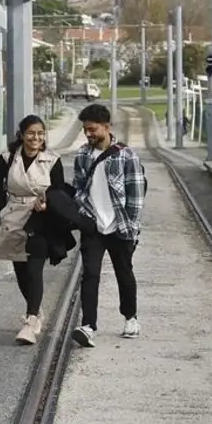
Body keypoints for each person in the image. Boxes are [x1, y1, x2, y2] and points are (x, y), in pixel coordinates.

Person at [70, 103, 146, 348]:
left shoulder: (126, 155)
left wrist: (132, 229)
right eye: (85, 130)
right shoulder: (82, 155)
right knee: (90, 275)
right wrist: (84, 213)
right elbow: (79, 189)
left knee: (124, 273)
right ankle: (89, 325)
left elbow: (135, 196)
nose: (88, 134)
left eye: (92, 129)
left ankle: (130, 318)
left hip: (120, 226)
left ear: (106, 127)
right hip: (93, 225)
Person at [0, 114, 67, 345]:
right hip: (14, 217)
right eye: (31, 133)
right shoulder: (8, 158)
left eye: (40, 133)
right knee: (21, 271)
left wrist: (47, 203)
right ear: (21, 135)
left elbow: (59, 191)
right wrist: (2, 209)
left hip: (40, 219)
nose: (36, 137)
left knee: (34, 268)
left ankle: (31, 321)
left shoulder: (52, 160)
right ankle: (35, 310)